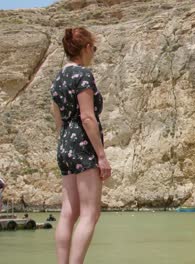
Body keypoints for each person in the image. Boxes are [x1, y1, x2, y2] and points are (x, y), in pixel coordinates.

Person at [50, 27, 111, 264]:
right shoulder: (83, 75)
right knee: (89, 213)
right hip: (83, 144)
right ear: (86, 48)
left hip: (65, 143)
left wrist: (66, 144)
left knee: (68, 212)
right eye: (93, 48)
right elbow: (87, 117)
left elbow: (58, 120)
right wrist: (101, 155)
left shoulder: (57, 80)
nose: (93, 53)